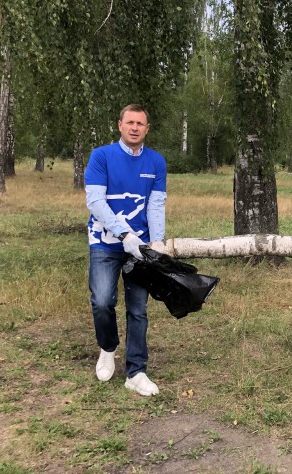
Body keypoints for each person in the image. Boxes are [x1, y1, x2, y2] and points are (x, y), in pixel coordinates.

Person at [84, 104, 167, 396]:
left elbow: (155, 204)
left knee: (138, 310)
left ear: (147, 129)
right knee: (102, 301)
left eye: (140, 124)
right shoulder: (101, 156)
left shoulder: (156, 162)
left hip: (140, 249)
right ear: (119, 125)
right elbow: (95, 202)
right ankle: (108, 348)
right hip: (105, 243)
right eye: (130, 122)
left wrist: (157, 242)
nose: (134, 128)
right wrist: (123, 234)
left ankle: (136, 372)